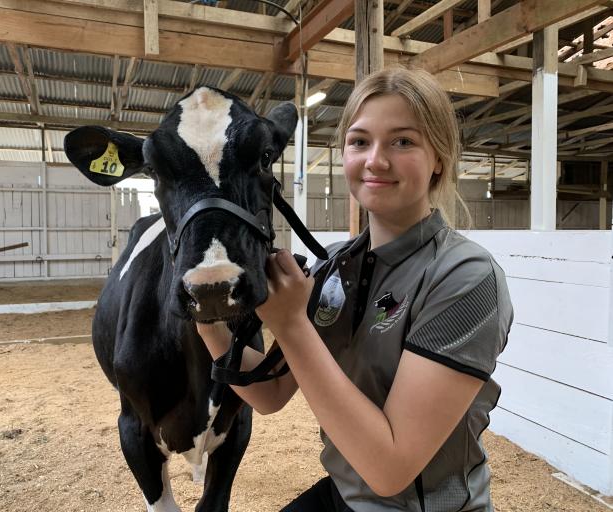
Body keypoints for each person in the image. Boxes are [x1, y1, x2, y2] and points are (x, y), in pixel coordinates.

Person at [198, 67, 513, 512]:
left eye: (403, 141)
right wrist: (208, 321)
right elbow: (270, 395)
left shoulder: (466, 277)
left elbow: (390, 469)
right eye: (360, 141)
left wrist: (291, 323)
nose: (375, 160)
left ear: (439, 158)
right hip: (344, 494)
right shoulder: (334, 265)